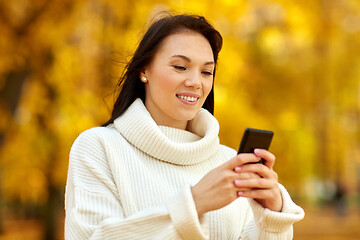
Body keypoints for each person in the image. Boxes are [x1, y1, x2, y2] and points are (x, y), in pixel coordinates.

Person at [64, 13, 304, 239]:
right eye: (180, 67)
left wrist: (271, 219)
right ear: (144, 69)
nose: (195, 82)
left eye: (206, 71)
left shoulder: (227, 162)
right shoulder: (99, 147)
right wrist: (194, 204)